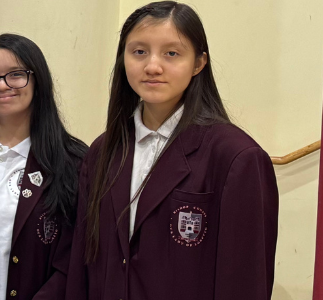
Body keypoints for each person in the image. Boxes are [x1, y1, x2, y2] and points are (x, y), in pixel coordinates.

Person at [65, 2, 279, 299]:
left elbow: (244, 281)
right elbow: (82, 266)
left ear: (198, 63)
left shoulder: (235, 157)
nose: (152, 66)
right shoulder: (103, 151)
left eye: (172, 53)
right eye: (139, 52)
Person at [0, 33, 87, 300]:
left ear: (38, 81)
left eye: (15, 74)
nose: (1, 86)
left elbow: (74, 261)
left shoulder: (74, 161)